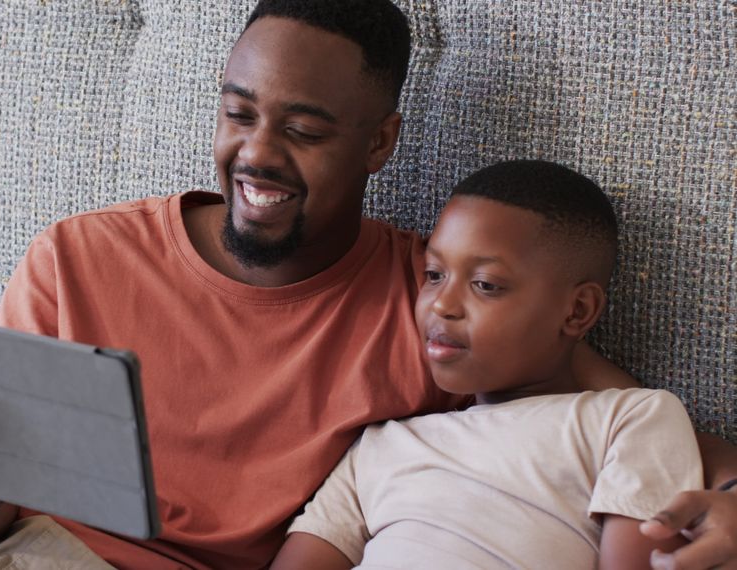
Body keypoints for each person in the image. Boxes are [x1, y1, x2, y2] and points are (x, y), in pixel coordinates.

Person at [0, 1, 736, 569]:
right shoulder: (80, 257)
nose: (257, 154)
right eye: (238, 113)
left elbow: (635, 426)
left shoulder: (434, 298)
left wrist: (726, 503)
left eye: (306, 129)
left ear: (381, 141)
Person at [270, 160, 704, 569]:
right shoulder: (381, 446)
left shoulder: (631, 419)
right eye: (435, 274)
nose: (442, 304)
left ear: (577, 312)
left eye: (485, 285)